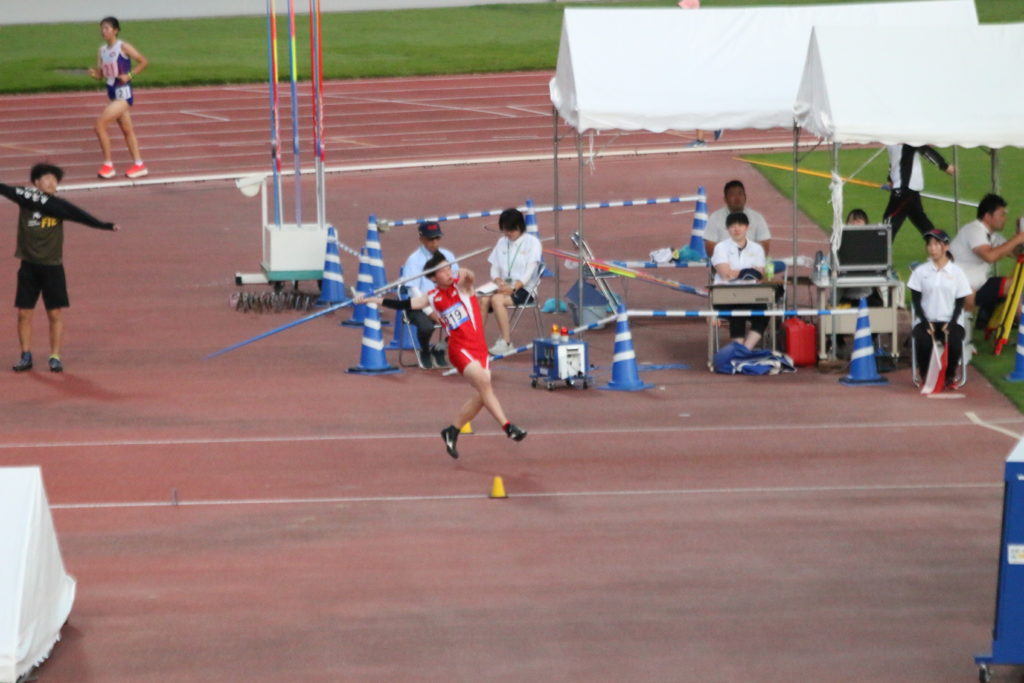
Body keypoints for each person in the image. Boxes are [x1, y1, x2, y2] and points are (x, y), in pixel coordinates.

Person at [361, 252, 527, 459]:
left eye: (450, 268)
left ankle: (452, 430)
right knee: (485, 383)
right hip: (459, 349)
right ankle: (508, 427)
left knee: (482, 394)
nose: (449, 272)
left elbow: (470, 278)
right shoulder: (431, 296)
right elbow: (404, 305)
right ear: (433, 277)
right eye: (443, 270)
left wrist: (467, 273)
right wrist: (372, 299)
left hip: (479, 348)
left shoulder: (462, 286)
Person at [1, 163, 119, 373]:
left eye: (54, 179)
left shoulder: (58, 206)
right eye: (46, 178)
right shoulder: (26, 198)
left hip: (52, 268)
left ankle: (55, 356)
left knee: (54, 313)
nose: (51, 182)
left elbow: (81, 216)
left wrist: (105, 225)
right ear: (36, 182)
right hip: (28, 266)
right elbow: (4, 189)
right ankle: (26, 355)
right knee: (24, 313)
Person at [908, 229, 971, 390]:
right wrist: (924, 321)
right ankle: (924, 373)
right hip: (926, 319)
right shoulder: (921, 272)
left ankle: (950, 375)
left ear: (946, 247)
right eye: (929, 244)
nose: (932, 248)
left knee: (955, 342)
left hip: (950, 320)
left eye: (936, 244)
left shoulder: (957, 272)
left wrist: (952, 322)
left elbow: (960, 302)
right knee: (923, 342)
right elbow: (916, 300)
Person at [949, 193, 1024, 329]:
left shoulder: (992, 235)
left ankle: (987, 319)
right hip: (959, 286)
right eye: (1001, 215)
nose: (1004, 219)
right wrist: (1017, 239)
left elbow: (1014, 252)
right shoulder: (974, 230)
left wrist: (1019, 235)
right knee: (1012, 286)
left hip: (977, 285)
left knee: (1013, 285)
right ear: (988, 216)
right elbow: (989, 256)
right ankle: (1020, 326)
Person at [87, 17, 149, 179]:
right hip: (112, 93)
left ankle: (108, 165)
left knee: (100, 126)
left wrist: (129, 75)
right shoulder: (102, 50)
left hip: (123, 94)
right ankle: (139, 165)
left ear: (116, 30)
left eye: (107, 28)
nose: (103, 31)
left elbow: (143, 62)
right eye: (102, 28)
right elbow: (102, 75)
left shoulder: (123, 47)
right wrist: (95, 74)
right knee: (127, 130)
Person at [480, 208, 543, 355]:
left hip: (525, 288)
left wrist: (514, 287)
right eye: (505, 230)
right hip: (503, 286)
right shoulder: (502, 242)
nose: (508, 233)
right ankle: (476, 341)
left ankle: (506, 342)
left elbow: (530, 272)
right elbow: (494, 267)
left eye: (511, 230)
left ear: (520, 227)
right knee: (483, 299)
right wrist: (498, 280)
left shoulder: (532, 243)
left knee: (496, 300)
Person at [400, 221, 457, 369]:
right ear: (421, 239)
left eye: (437, 238)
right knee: (426, 327)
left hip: (445, 302)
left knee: (469, 319)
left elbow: (456, 280)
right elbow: (413, 291)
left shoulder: (448, 255)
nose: (434, 242)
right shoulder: (414, 260)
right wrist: (430, 312)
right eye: (431, 239)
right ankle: (424, 350)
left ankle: (440, 347)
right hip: (420, 305)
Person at [711, 212, 767, 350]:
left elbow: (759, 274)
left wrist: (736, 273)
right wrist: (747, 272)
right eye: (732, 226)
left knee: (764, 313)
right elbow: (725, 274)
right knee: (738, 311)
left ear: (747, 227)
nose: (736, 229)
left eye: (740, 225)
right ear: (727, 229)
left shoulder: (757, 249)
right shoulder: (720, 247)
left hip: (750, 295)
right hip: (725, 296)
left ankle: (744, 351)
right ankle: (739, 350)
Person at [882, 144, 954, 239]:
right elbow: (894, 160)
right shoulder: (891, 140)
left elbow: (925, 150)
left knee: (890, 222)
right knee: (922, 222)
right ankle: (938, 243)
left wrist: (945, 166)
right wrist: (890, 179)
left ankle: (880, 248)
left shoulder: (907, 138)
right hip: (906, 187)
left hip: (905, 187)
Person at [703, 180, 771, 257]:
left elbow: (764, 246)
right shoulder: (715, 218)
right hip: (723, 262)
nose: (737, 198)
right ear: (725, 199)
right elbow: (710, 249)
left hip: (751, 262)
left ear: (745, 197)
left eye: (740, 194)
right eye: (732, 195)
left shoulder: (757, 218)